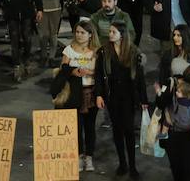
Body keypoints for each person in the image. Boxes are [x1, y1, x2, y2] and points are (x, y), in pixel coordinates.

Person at [94, 22, 147, 179]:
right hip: (112, 97)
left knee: (129, 131)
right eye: (110, 31)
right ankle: (122, 163)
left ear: (122, 34)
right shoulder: (104, 52)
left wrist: (144, 99)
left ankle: (132, 165)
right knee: (117, 130)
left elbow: (140, 78)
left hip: (129, 96)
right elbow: (98, 75)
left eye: (113, 31)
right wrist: (99, 95)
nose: (110, 34)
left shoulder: (133, 52)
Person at [61, 20, 99, 172]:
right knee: (76, 127)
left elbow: (101, 72)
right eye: (77, 32)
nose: (79, 35)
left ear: (90, 35)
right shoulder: (68, 50)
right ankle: (78, 156)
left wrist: (89, 72)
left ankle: (89, 157)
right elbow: (63, 68)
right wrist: (73, 71)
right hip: (74, 92)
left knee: (90, 127)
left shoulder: (96, 51)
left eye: (83, 32)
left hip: (91, 91)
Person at [0, 0, 43, 81]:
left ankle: (27, 61)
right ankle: (17, 65)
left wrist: (39, 9)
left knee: (27, 38)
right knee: (14, 39)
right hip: (11, 11)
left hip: (27, 10)